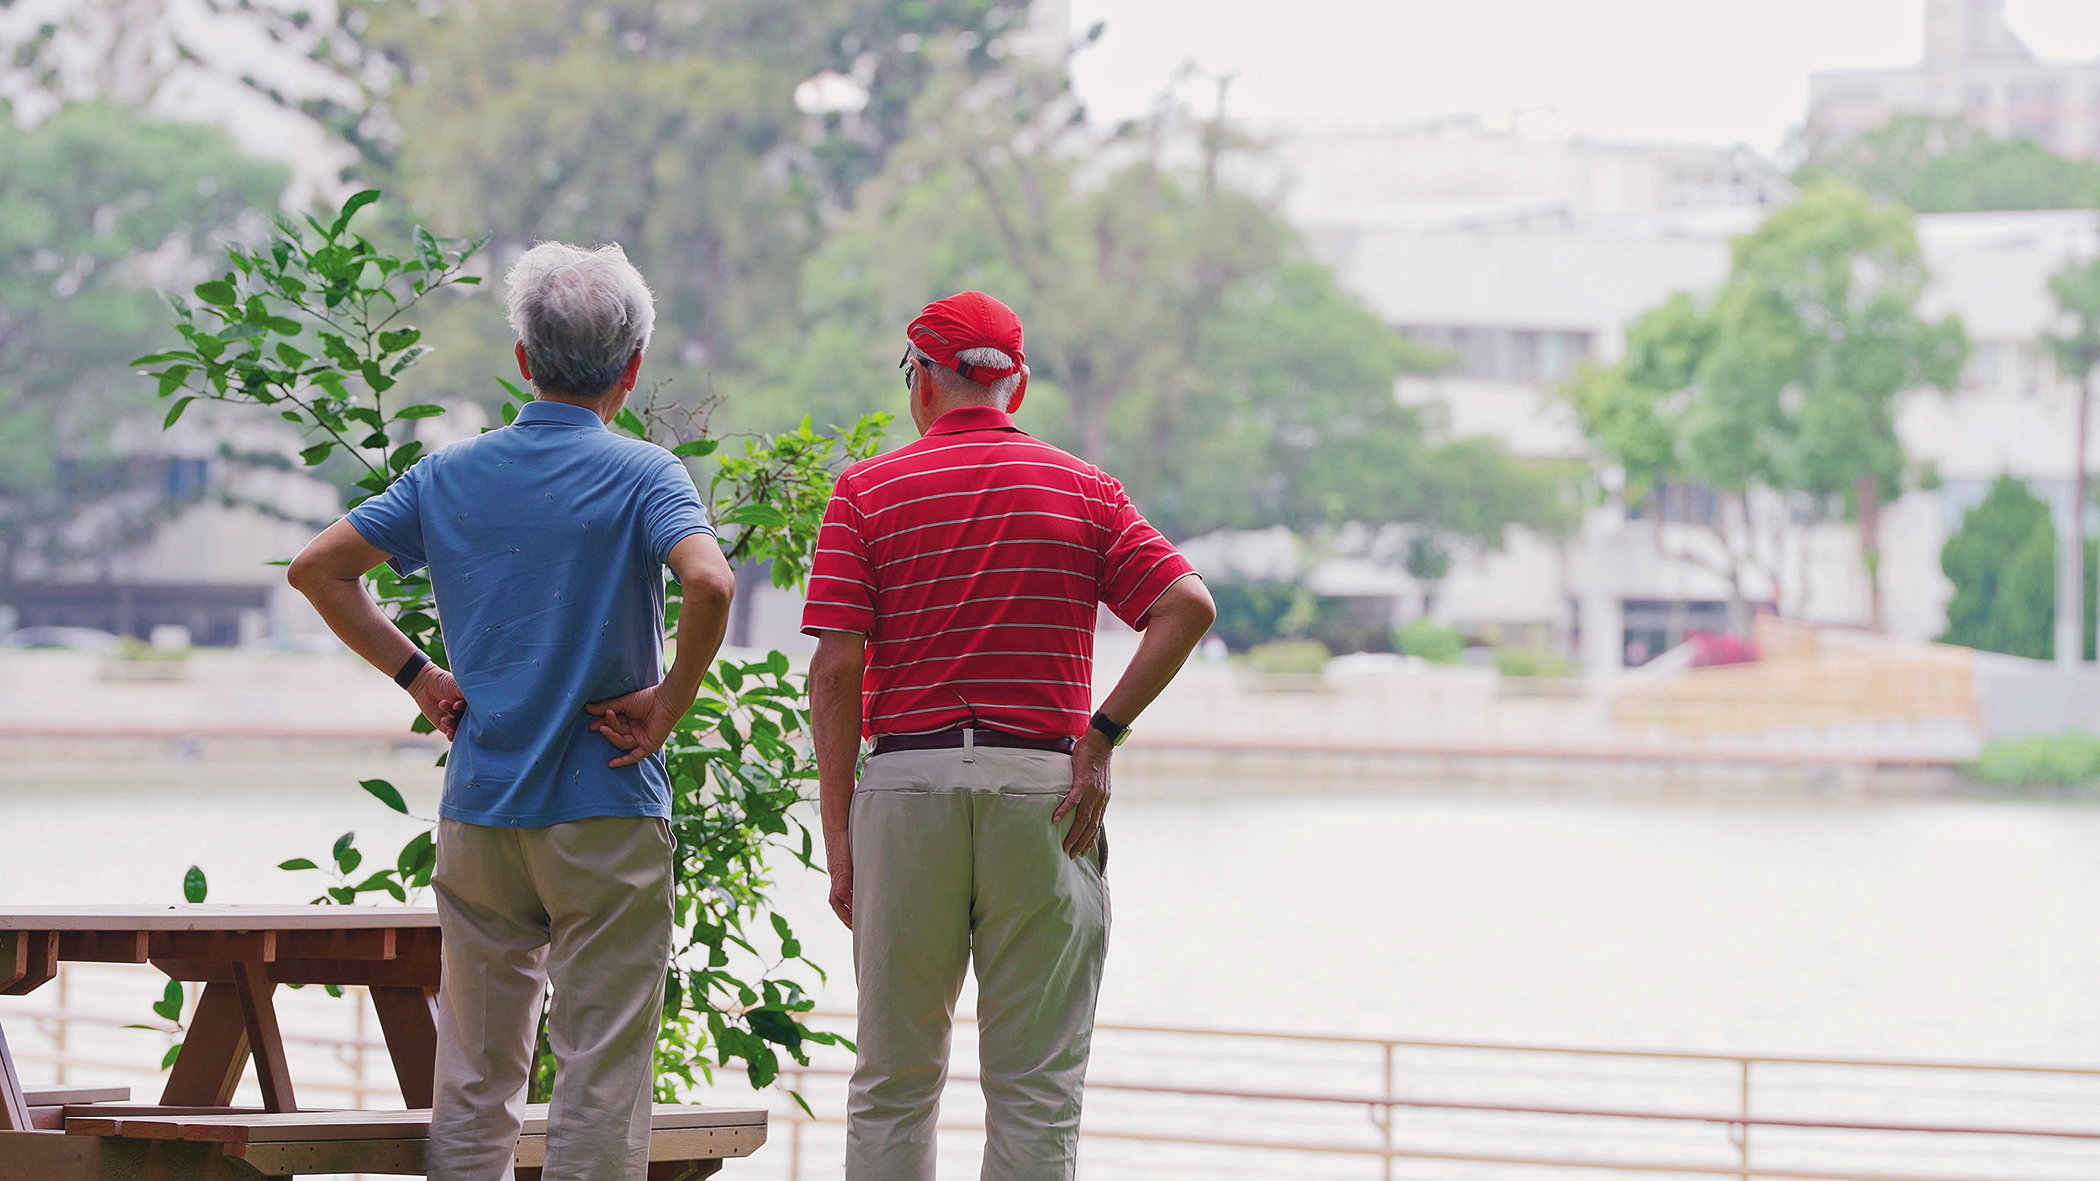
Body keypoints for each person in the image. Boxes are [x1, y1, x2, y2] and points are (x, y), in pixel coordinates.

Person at [286, 242, 735, 1181]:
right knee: (601, 1075)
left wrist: (420, 675)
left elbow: (317, 570)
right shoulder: (647, 475)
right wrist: (667, 708)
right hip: (606, 805)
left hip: (483, 805)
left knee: (476, 1078)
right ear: (634, 367)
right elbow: (710, 584)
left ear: (523, 361)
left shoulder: (448, 476)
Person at [804, 290, 1217, 1181]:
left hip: (907, 788)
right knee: (1034, 1087)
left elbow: (836, 674)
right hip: (1046, 790)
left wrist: (839, 836)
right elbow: (1185, 606)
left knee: (893, 1080)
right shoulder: (1086, 489)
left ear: (921, 379)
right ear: (1014, 386)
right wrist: (1101, 735)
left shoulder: (864, 492)